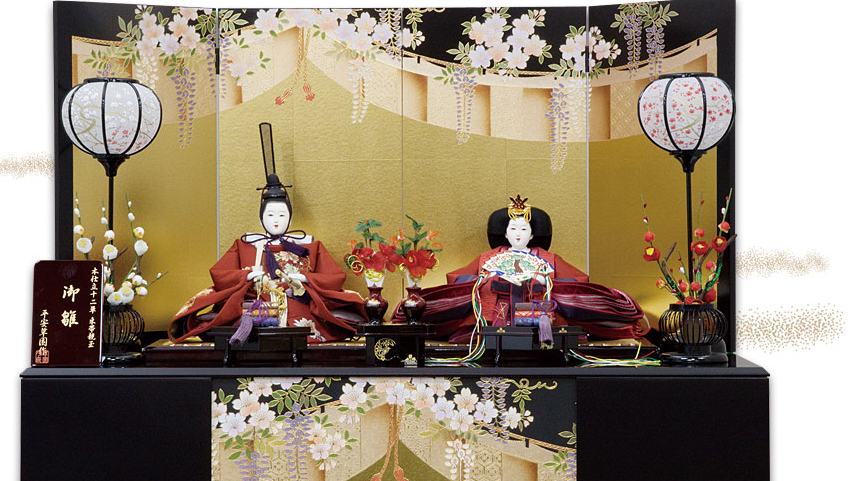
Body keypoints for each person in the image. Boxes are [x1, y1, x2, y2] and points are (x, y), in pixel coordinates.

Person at [409, 196, 643, 342]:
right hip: (495, 316)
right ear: (505, 233)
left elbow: (577, 285)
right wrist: (485, 279)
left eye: (524, 229)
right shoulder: (489, 258)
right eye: (513, 229)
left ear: (532, 234)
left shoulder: (547, 258)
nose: (518, 234)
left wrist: (544, 281)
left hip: (538, 316)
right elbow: (458, 282)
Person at [169, 174, 365, 343]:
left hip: (296, 301)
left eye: (282, 215)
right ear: (261, 218)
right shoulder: (246, 244)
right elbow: (220, 274)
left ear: (290, 218)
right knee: (236, 319)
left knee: (314, 322)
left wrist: (305, 278)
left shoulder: (307, 245)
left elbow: (334, 277)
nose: (276, 220)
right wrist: (246, 276)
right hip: (255, 301)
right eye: (270, 215)